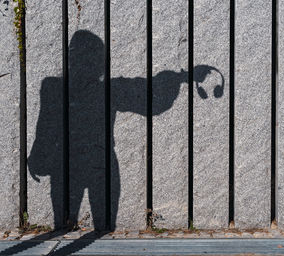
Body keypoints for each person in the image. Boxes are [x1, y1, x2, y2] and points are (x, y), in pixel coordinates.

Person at [28, 29, 224, 231]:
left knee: (70, 229)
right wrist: (180, 78)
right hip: (94, 163)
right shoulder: (92, 88)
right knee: (92, 229)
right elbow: (151, 100)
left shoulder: (56, 86)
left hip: (79, 163)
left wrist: (180, 77)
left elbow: (44, 127)